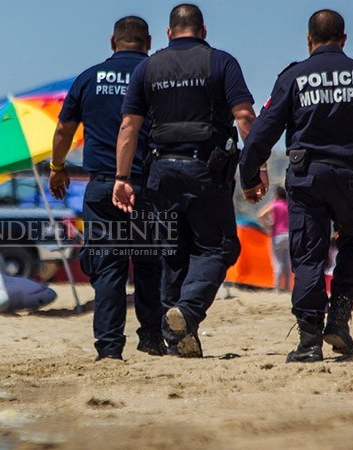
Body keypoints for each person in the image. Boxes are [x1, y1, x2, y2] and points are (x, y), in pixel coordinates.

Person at [238, 9, 353, 362]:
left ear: (309, 39)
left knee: (308, 257)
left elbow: (262, 132)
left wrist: (248, 176)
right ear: (343, 39)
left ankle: (308, 342)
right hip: (351, 179)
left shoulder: (294, 77)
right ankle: (339, 317)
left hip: (307, 180)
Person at [112, 4, 257, 358]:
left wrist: (121, 177)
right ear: (203, 31)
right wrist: (255, 170)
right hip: (204, 170)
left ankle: (178, 341)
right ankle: (187, 312)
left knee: (174, 255)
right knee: (218, 248)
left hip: (160, 172)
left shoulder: (149, 66)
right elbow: (244, 116)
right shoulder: (221, 61)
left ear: (167, 33)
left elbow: (129, 126)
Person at [49, 16, 165, 361]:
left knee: (108, 267)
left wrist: (57, 168)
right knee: (149, 264)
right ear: (148, 41)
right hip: (147, 184)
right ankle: (153, 339)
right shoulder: (157, 74)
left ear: (113, 41)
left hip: (102, 186)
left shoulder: (88, 78)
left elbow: (63, 130)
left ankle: (110, 349)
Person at [258, 186, 292, 292]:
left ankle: (277, 288)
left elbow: (261, 214)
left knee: (278, 262)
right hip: (289, 235)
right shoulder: (288, 205)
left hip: (277, 235)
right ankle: (287, 287)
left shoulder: (276, 204)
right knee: (287, 262)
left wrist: (268, 225)